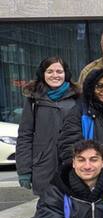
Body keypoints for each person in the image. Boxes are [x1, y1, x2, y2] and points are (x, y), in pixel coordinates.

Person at [16, 57, 81, 196]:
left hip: (73, 164)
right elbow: (25, 136)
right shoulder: (33, 99)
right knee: (47, 211)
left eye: (59, 71)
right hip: (43, 166)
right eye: (50, 71)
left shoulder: (77, 97)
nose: (55, 75)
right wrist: (24, 170)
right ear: (43, 74)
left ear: (66, 74)